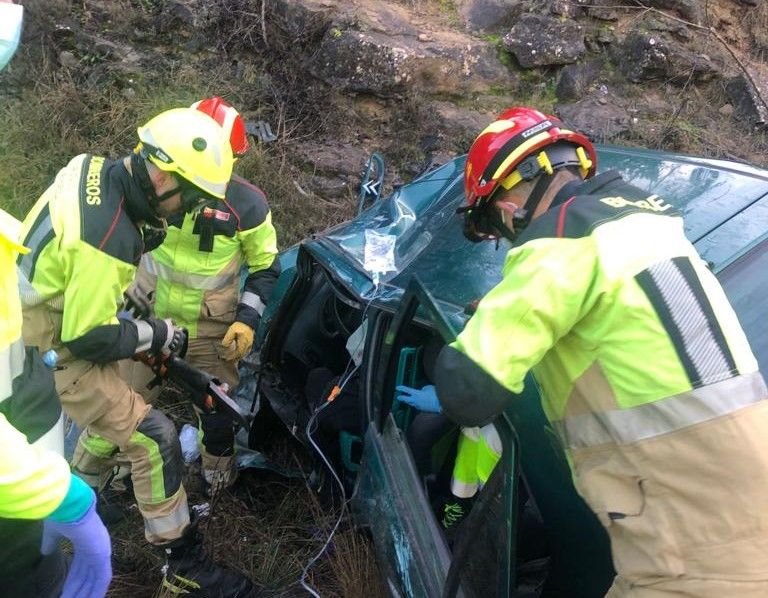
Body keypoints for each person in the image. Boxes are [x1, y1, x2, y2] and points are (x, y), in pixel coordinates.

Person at [400, 106, 768, 597]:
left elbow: (468, 392)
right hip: (733, 511)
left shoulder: (560, 241)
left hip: (692, 547)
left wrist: (491, 322)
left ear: (510, 200)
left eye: (491, 221)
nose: (503, 237)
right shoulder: (649, 224)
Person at [17, 105, 256, 596]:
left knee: (127, 411)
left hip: (39, 318)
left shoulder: (90, 168)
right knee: (154, 437)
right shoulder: (107, 240)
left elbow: (80, 284)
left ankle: (81, 501)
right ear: (163, 177)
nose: (189, 211)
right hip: (45, 350)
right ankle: (183, 567)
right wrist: (155, 334)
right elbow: (88, 338)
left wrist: (139, 326)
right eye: (188, 198)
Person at [132, 96, 280, 495]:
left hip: (209, 332)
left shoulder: (247, 205)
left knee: (217, 413)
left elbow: (267, 266)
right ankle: (100, 481)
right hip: (146, 322)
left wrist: (246, 321)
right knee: (121, 403)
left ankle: (215, 486)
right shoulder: (149, 186)